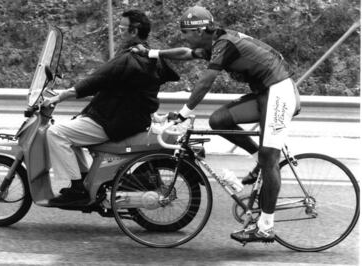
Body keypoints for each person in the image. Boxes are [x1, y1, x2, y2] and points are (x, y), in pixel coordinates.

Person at [132, 5, 300, 243]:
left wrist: (183, 113)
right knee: (219, 120)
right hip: (264, 93)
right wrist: (152, 53)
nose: (184, 38)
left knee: (270, 157)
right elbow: (184, 53)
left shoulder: (224, 44)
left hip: (280, 91)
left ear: (200, 31)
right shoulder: (213, 44)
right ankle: (258, 159)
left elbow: (205, 82)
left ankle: (265, 227)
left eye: (186, 33)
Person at [43, 9, 179, 206]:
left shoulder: (131, 57)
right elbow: (133, 90)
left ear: (134, 31)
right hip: (126, 116)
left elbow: (97, 80)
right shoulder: (148, 55)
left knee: (55, 133)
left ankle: (76, 188)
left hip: (114, 121)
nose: (119, 32)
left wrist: (61, 96)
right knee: (74, 128)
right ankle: (84, 181)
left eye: (122, 28)